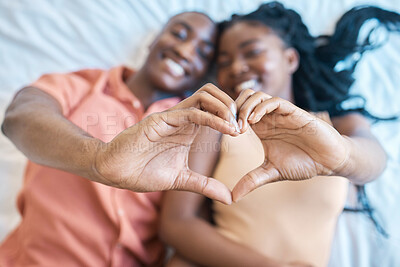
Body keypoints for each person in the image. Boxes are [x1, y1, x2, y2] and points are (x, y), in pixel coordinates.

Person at [160, 3, 400, 267]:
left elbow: (375, 163)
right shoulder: (216, 126)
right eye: (224, 62)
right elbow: (176, 223)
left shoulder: (337, 125)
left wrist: (339, 155)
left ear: (290, 59)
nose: (237, 67)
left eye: (252, 52)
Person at [0, 11, 243, 266]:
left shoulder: (197, 125)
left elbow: (185, 223)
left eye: (203, 53)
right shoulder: (84, 86)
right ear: (153, 40)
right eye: (179, 34)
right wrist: (98, 159)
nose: (185, 51)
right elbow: (19, 117)